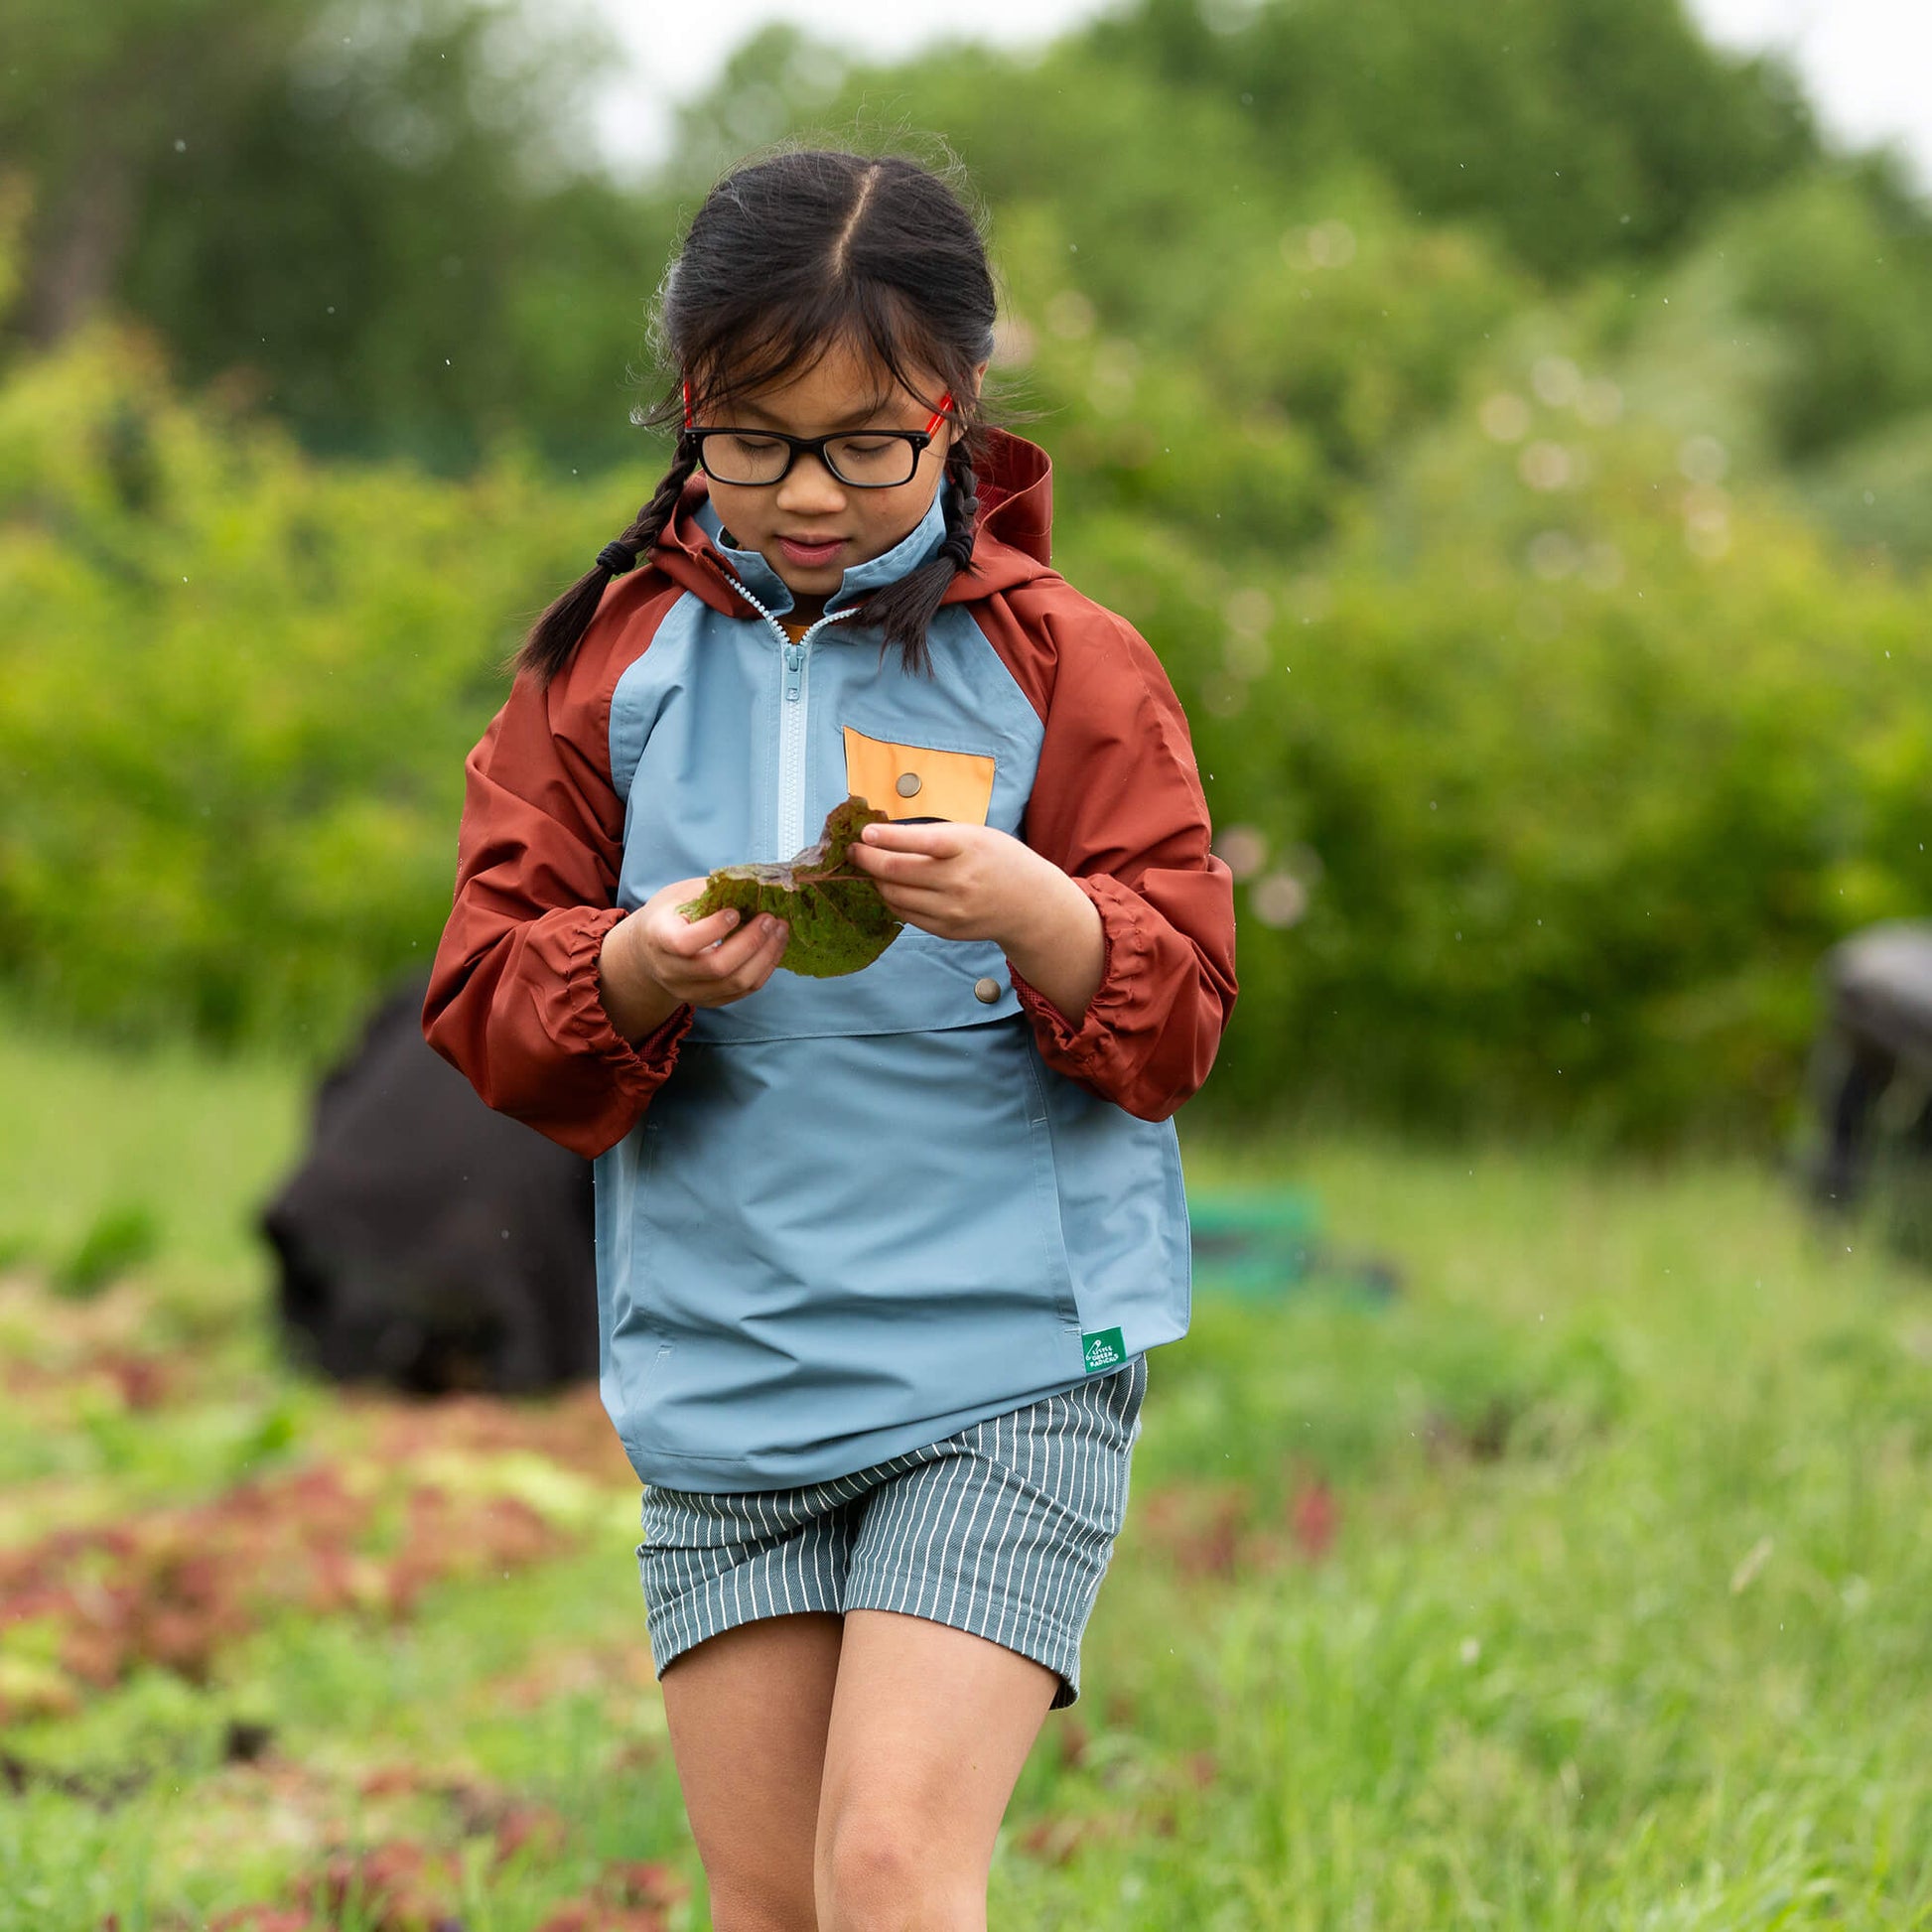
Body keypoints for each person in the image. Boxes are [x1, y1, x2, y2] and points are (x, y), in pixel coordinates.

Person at [422, 145, 1237, 1931]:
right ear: (689, 407)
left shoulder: (1067, 664)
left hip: (998, 1367)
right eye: (756, 437)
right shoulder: (608, 664)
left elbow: (1175, 1020)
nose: (809, 493)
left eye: (868, 443)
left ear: (954, 413)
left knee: (886, 1873)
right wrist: (629, 967)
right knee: (772, 1902)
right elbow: (485, 995)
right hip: (725, 1376)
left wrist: (1042, 910)